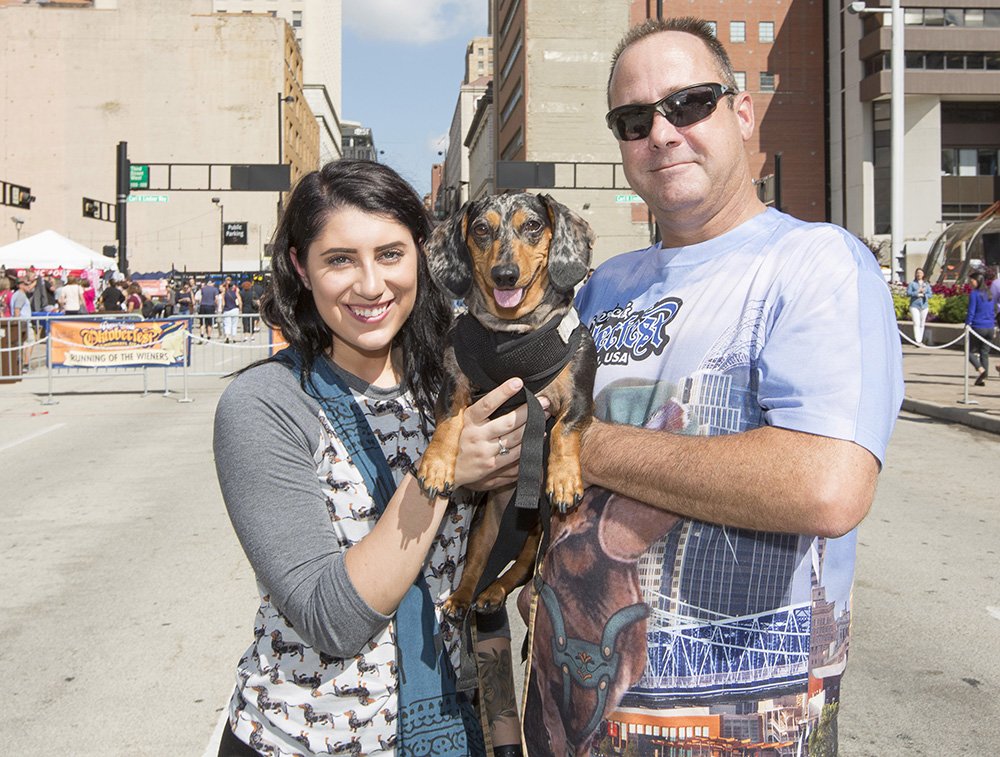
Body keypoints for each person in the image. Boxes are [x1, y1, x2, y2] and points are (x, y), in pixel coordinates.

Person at [519, 18, 904, 757]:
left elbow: (826, 485)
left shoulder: (815, 264)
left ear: (742, 112)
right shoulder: (602, 288)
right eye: (634, 120)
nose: (661, 133)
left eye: (689, 103)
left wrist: (584, 443)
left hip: (738, 728)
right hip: (578, 718)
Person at [213, 160, 531, 757]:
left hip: (448, 733)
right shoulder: (266, 404)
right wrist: (444, 473)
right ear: (300, 267)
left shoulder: (459, 381)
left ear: (422, 256)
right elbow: (331, 618)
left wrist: (504, 736)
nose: (370, 285)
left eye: (390, 254)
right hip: (301, 740)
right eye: (340, 260)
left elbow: (479, 587)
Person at [965, 270, 994, 386]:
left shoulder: (974, 294)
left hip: (978, 326)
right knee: (984, 353)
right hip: (990, 327)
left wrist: (967, 324)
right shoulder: (989, 293)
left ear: (977, 281)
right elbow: (992, 310)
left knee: (969, 352)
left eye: (971, 281)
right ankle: (983, 377)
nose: (970, 283)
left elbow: (971, 311)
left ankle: (981, 370)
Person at [906, 266, 931, 344]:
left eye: (920, 273)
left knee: (922, 323)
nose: (919, 274)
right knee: (916, 322)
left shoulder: (926, 284)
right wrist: (917, 292)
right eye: (917, 273)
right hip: (914, 305)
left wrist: (924, 294)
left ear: (923, 274)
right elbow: (908, 293)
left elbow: (930, 294)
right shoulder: (912, 284)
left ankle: (920, 338)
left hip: (924, 305)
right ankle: (918, 340)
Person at [219, 278, 241, 343]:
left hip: (227, 310)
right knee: (234, 324)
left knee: (227, 324)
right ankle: (233, 338)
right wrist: (240, 309)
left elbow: (223, 303)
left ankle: (227, 337)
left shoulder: (224, 294)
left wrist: (222, 309)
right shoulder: (236, 293)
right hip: (235, 309)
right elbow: (239, 302)